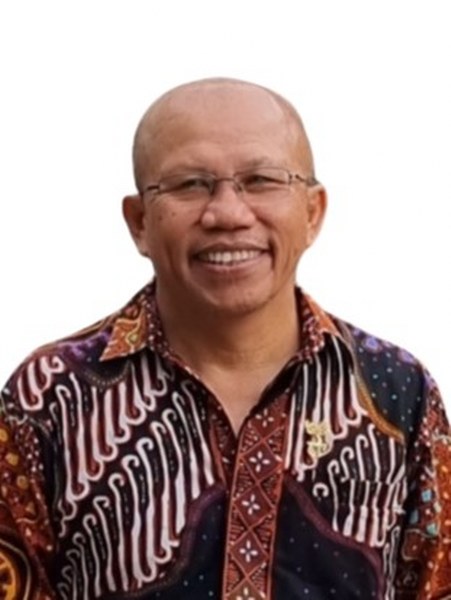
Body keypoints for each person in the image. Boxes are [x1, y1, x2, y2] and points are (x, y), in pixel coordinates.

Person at [0, 78, 450, 600]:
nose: (229, 214)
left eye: (261, 180)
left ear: (312, 212)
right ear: (139, 222)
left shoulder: (396, 394)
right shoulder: (50, 397)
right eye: (190, 184)